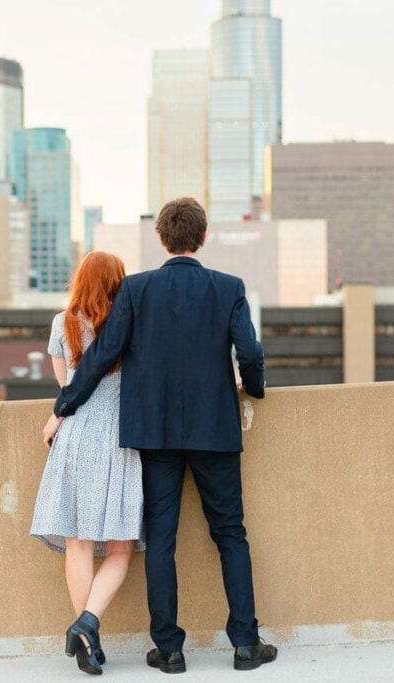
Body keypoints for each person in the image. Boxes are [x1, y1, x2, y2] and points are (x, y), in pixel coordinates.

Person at [42, 197, 278, 674]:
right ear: (203, 237)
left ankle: (169, 650)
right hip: (215, 429)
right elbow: (249, 353)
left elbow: (102, 354)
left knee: (162, 540)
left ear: (161, 238)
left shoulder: (137, 289)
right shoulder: (229, 287)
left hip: (155, 434)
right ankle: (246, 644)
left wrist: (63, 407)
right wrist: (253, 389)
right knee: (231, 534)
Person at [30, 251, 145, 676]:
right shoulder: (129, 323)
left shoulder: (63, 323)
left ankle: (85, 635)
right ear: (119, 282)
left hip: (75, 435)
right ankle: (85, 626)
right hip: (121, 438)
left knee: (78, 542)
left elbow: (67, 386)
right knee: (121, 545)